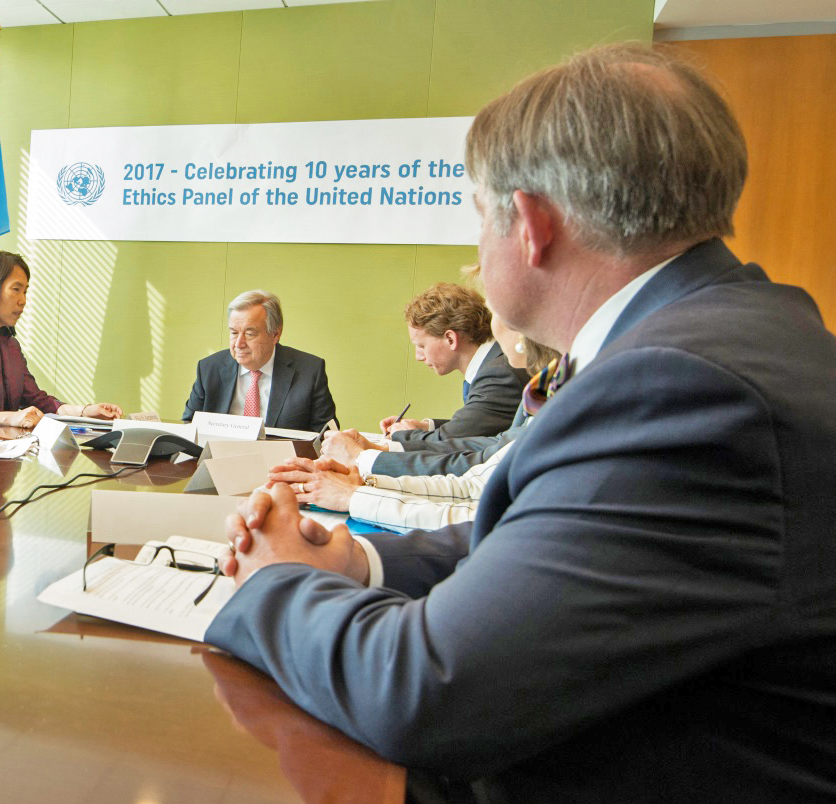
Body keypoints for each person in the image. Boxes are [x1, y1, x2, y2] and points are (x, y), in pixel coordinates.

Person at [207, 43, 836, 802]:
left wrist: (273, 581)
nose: (474, 257)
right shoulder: (723, 334)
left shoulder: (680, 386)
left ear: (531, 225)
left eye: (478, 218)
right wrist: (358, 567)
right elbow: (549, 540)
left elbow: (424, 695)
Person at [270, 325, 557, 532]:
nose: (492, 328)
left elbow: (473, 473)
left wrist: (362, 478)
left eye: (497, 313)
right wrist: (366, 484)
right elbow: (477, 473)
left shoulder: (508, 373)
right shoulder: (547, 381)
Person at [0, 249, 121, 434]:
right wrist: (12, 417)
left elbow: (36, 400)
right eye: (16, 290)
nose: (23, 301)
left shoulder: (10, 345)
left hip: (1, 453)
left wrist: (85, 412)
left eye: (25, 291)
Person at [383, 282, 526, 442]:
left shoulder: (499, 375)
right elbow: (474, 428)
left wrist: (403, 435)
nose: (419, 356)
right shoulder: (492, 364)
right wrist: (425, 427)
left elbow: (450, 441)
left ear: (450, 338)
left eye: (421, 345)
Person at [182, 289, 336, 432]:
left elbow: (325, 437)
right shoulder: (209, 368)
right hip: (219, 457)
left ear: (275, 334)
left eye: (249, 334)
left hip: (281, 460)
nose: (238, 344)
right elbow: (189, 425)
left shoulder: (309, 372)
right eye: (234, 333)